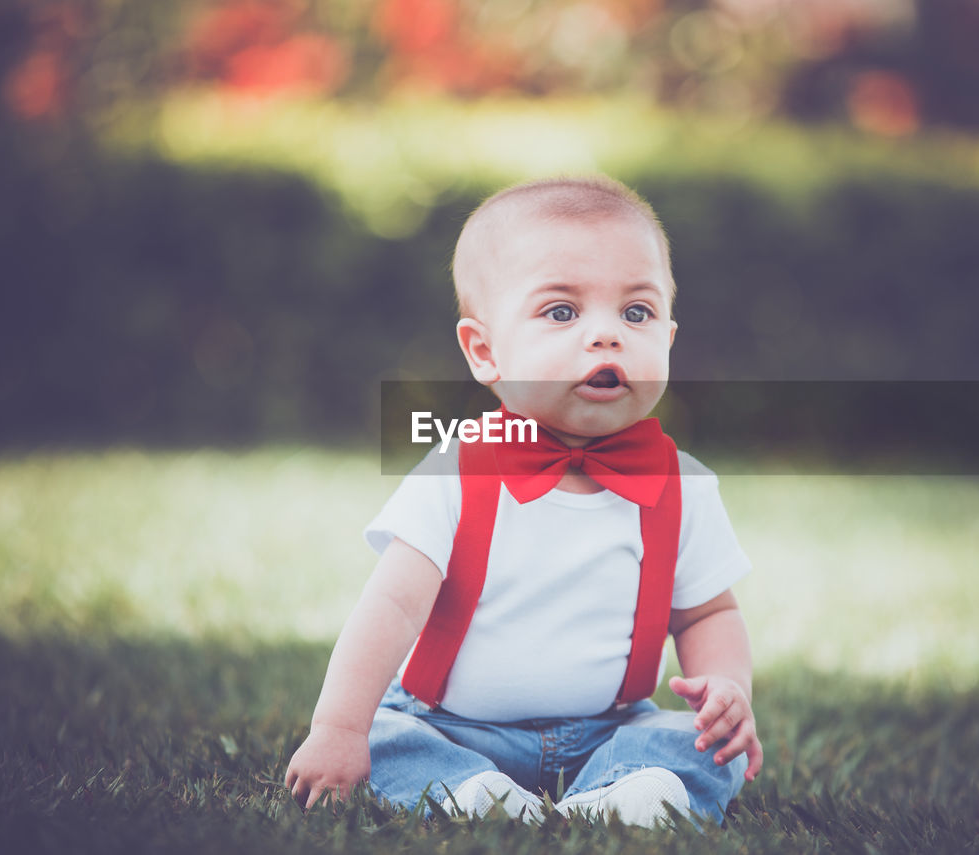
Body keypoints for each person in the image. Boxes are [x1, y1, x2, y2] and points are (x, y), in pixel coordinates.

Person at [284, 176, 761, 827]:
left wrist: (726, 688)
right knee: (387, 739)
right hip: (450, 725)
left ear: (668, 339)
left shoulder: (683, 485)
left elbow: (708, 612)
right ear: (485, 351)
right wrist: (339, 726)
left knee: (699, 744)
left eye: (637, 312)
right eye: (562, 312)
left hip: (609, 731)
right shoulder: (454, 472)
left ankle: (624, 791)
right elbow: (391, 605)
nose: (606, 335)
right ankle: (473, 792)